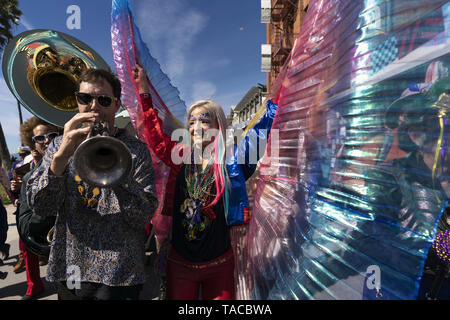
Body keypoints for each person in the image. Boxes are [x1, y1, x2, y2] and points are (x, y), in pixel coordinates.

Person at [133, 64, 278, 300]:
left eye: (204, 121)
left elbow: (260, 133)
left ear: (218, 126)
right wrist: (143, 92)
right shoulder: (180, 158)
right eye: (191, 122)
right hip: (180, 264)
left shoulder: (232, 163)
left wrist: (278, 97)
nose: (196, 127)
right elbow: (155, 136)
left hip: (220, 264)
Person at [27, 68, 158, 300]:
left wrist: (117, 170)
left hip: (120, 271)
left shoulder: (136, 150)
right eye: (85, 98)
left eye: (103, 100)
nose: (94, 107)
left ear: (116, 105)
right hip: (73, 267)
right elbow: (41, 207)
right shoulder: (59, 145)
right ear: (77, 100)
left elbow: (143, 215)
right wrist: (60, 157)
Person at [14, 116, 62, 299]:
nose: (47, 140)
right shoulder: (29, 178)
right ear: (33, 144)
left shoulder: (81, 165)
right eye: (39, 138)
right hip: (61, 257)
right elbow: (26, 228)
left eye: (52, 134)